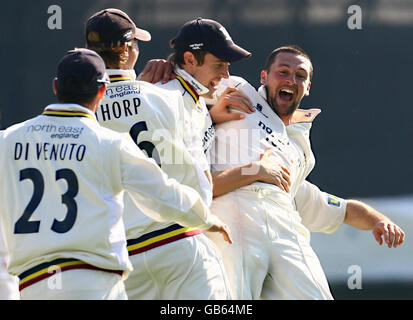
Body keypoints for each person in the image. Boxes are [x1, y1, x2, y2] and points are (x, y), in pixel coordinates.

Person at [0, 48, 230, 300]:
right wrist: (205, 218)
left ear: (55, 87)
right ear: (101, 91)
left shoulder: (6, 140)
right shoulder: (110, 143)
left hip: (34, 284)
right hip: (96, 281)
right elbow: (161, 193)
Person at [205, 45, 405, 300]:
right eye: (283, 71)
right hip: (234, 217)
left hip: (285, 221)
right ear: (264, 77)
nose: (291, 79)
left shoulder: (297, 152)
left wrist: (378, 220)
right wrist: (165, 67)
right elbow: (186, 83)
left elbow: (338, 208)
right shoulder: (238, 90)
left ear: (308, 87)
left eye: (300, 75)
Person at [85, 9, 235, 299]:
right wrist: (204, 219)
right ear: (128, 50)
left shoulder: (85, 112)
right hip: (179, 241)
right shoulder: (166, 97)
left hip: (122, 255)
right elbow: (195, 173)